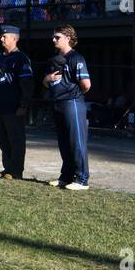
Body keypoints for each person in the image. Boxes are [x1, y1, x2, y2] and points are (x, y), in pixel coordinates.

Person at [0, 25, 33, 179]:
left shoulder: (21, 59)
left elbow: (27, 85)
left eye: (5, 36)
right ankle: (8, 168)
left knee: (16, 139)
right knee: (1, 137)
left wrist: (24, 105)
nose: (1, 39)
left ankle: (16, 171)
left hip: (14, 106)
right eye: (1, 36)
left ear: (14, 39)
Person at [44, 25, 91, 190]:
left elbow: (86, 84)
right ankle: (66, 177)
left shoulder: (76, 58)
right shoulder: (54, 59)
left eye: (57, 37)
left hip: (72, 103)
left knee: (77, 142)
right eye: (54, 37)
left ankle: (82, 179)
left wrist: (74, 94)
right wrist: (48, 78)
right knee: (64, 142)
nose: (54, 40)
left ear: (68, 38)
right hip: (58, 103)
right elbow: (45, 82)